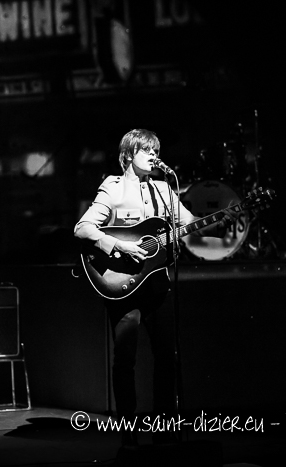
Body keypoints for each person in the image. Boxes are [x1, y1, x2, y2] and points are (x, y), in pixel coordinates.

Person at [74, 129, 236, 446]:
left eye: (156, 150)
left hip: (157, 285)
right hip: (122, 286)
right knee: (125, 360)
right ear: (127, 155)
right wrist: (118, 244)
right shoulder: (113, 187)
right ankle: (128, 433)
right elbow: (83, 228)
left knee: (167, 358)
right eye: (146, 150)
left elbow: (189, 225)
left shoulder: (163, 189)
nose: (153, 155)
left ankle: (165, 430)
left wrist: (221, 221)